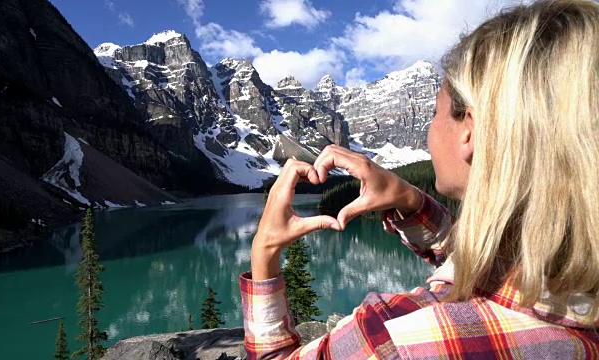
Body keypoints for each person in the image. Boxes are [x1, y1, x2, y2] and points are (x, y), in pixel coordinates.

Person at [239, 0, 599, 358]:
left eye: (435, 112)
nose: (429, 127)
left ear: (468, 131)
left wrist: (265, 251)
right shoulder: (574, 282)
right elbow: (503, 276)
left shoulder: (399, 340)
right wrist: (411, 201)